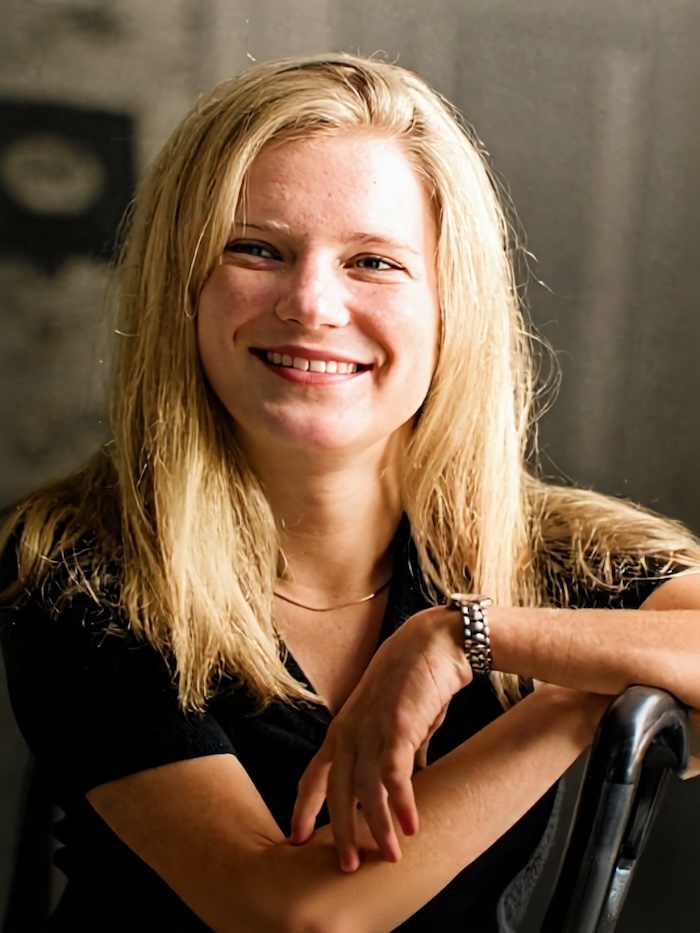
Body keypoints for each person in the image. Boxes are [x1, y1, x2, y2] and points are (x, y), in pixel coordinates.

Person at [2, 51, 700, 933]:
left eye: (372, 261)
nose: (311, 304)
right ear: (184, 285)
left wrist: (460, 638)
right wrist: (583, 693)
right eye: (256, 248)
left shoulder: (561, 553)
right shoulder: (74, 563)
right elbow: (293, 916)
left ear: (451, 305)